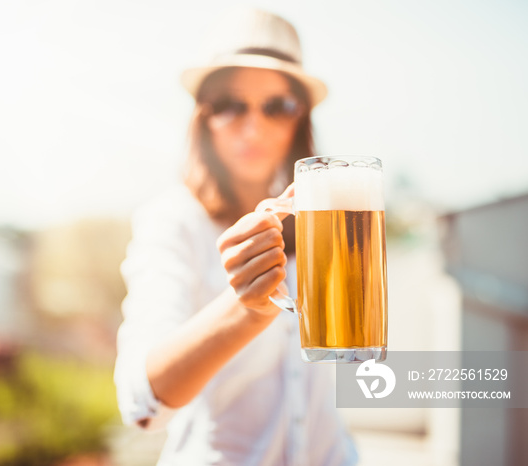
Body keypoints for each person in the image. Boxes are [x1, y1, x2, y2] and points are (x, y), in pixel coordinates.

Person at [114, 8, 358, 465]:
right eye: (230, 104)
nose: (253, 125)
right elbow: (140, 402)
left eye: (277, 105)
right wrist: (245, 308)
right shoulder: (173, 220)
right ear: (204, 116)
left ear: (300, 118)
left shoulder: (326, 221)